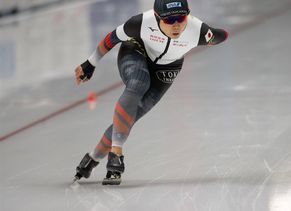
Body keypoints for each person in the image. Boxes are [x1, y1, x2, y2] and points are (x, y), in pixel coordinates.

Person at [73, 0, 228, 185]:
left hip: (167, 68)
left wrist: (217, 37)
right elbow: (112, 38)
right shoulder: (140, 23)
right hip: (136, 52)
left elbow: (221, 35)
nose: (176, 24)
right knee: (139, 83)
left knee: (130, 116)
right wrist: (90, 63)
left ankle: (92, 159)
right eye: (169, 20)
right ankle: (116, 153)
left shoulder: (198, 30)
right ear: (156, 17)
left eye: (180, 17)